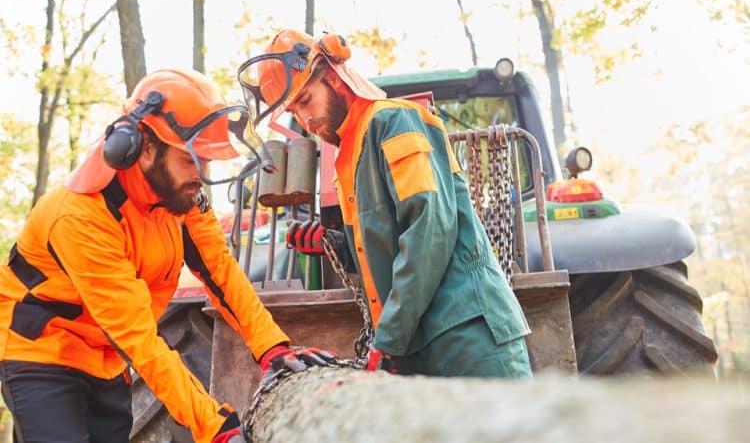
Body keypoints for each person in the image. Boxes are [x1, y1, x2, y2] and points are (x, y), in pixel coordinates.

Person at [0, 68, 335, 443]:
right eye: (191, 161)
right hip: (43, 354)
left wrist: (272, 347)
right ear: (144, 148)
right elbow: (139, 337)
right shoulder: (81, 217)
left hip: (107, 359)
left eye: (206, 162)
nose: (201, 175)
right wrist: (215, 427)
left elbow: (221, 272)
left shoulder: (180, 198)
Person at [239, 29, 532, 378]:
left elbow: (429, 228)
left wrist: (388, 341)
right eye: (294, 112)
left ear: (333, 79)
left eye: (306, 101)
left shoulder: (393, 121)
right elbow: (387, 244)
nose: (305, 121)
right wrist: (337, 246)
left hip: (468, 339)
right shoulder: (349, 155)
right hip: (424, 345)